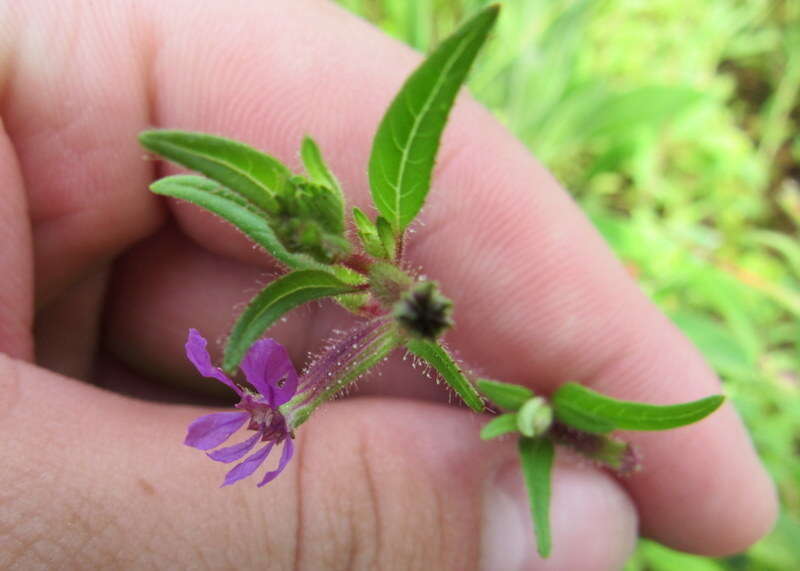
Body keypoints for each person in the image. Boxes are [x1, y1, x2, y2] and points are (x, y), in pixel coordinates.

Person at [0, 1, 776, 569]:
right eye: (267, 411)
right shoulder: (370, 299)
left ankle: (582, 438)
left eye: (268, 411)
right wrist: (303, 398)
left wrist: (311, 390)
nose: (259, 415)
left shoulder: (390, 290)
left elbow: (405, 312)